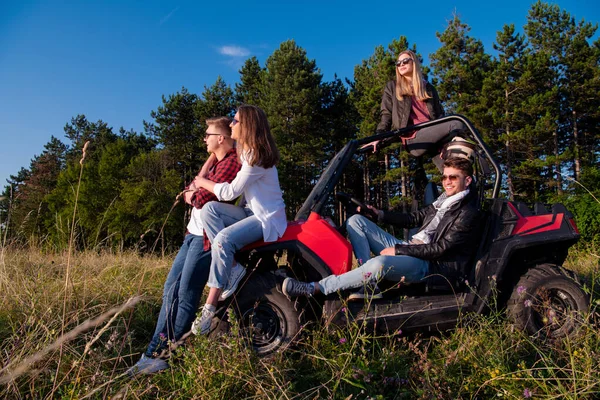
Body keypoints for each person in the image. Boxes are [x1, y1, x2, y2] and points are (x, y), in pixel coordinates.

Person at [127, 117, 241, 376]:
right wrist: (206, 167)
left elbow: (201, 197)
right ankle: (157, 351)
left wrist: (193, 191)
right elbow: (194, 186)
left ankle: (163, 355)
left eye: (208, 134)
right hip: (192, 234)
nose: (204, 138)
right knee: (171, 289)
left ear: (221, 137)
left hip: (206, 239)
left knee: (186, 293)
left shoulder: (232, 162)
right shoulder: (216, 162)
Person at [282, 157, 480, 300]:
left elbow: (441, 249)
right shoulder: (443, 201)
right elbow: (414, 218)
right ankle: (370, 286)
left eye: (453, 178)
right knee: (356, 221)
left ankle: (316, 287)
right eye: (445, 177)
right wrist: (379, 215)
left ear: (467, 180)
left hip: (429, 264)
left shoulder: (467, 212)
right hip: (411, 248)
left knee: (379, 264)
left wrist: (399, 250)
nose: (447, 182)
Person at [190, 104, 287, 335]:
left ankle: (209, 308)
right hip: (251, 212)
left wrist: (201, 182)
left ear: (248, 126)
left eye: (235, 121)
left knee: (223, 238)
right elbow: (217, 155)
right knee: (210, 210)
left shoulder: (256, 156)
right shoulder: (247, 152)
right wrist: (210, 158)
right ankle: (233, 268)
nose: (231, 124)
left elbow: (229, 192)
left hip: (266, 219)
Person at [373, 50, 466, 165]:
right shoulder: (393, 87)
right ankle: (481, 151)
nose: (401, 64)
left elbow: (439, 115)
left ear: (414, 63)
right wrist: (378, 136)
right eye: (398, 63)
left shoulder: (428, 88)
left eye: (405, 61)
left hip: (433, 136)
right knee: (456, 122)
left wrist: (445, 144)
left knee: (455, 170)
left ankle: (477, 174)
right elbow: (386, 114)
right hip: (413, 138)